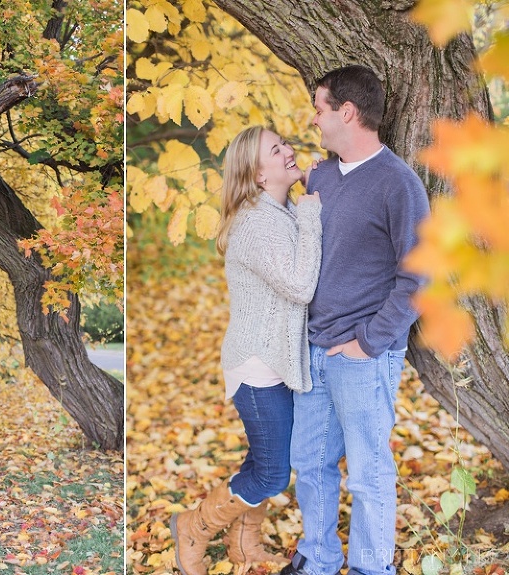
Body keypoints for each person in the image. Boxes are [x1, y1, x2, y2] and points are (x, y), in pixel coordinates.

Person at [279, 65, 430, 575]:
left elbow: (419, 276)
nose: (314, 120)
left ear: (347, 111)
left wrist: (368, 342)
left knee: (368, 474)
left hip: (363, 356)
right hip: (314, 350)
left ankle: (371, 568)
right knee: (311, 464)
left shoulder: (398, 184)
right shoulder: (320, 175)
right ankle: (319, 559)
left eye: (319, 109)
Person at [170, 126, 323, 575]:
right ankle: (193, 529)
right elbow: (299, 286)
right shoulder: (257, 223)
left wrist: (307, 211)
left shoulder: (280, 210)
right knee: (273, 472)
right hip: (258, 367)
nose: (289, 151)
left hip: (275, 361)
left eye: (284, 144)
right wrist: (313, 214)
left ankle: (244, 545)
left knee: (265, 459)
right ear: (258, 175)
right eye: (276, 150)